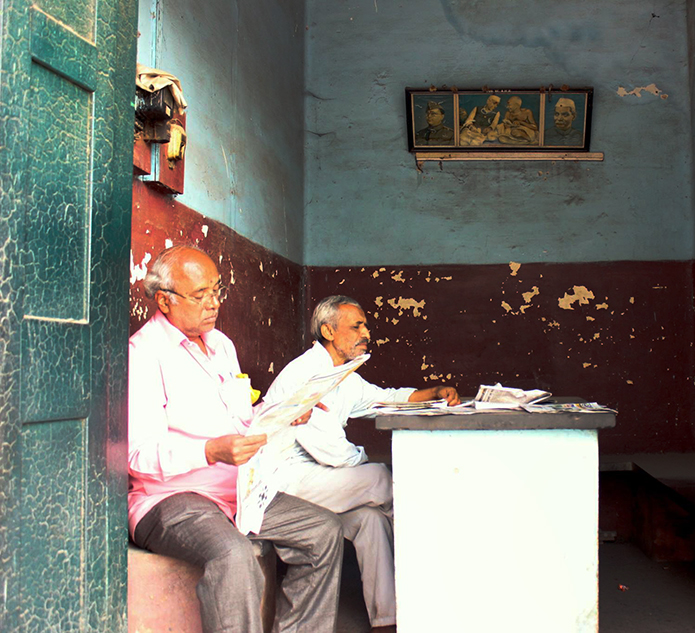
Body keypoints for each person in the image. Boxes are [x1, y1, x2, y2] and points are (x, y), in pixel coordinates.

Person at [128, 245, 344, 633]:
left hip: (238, 491)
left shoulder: (221, 345)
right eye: (200, 295)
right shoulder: (144, 353)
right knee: (234, 555)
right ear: (164, 300)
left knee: (323, 531)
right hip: (170, 499)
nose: (213, 303)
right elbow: (137, 455)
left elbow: (242, 422)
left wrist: (285, 415)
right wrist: (210, 451)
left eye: (217, 290)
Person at [263, 295, 460, 632]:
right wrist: (365, 463)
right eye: (356, 326)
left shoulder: (343, 375)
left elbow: (385, 398)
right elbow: (332, 452)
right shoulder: (306, 374)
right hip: (284, 483)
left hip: (317, 480)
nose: (366, 333)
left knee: (370, 521)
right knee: (379, 478)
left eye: (365, 326)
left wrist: (434, 392)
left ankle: (387, 621)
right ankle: (438, 555)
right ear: (328, 331)